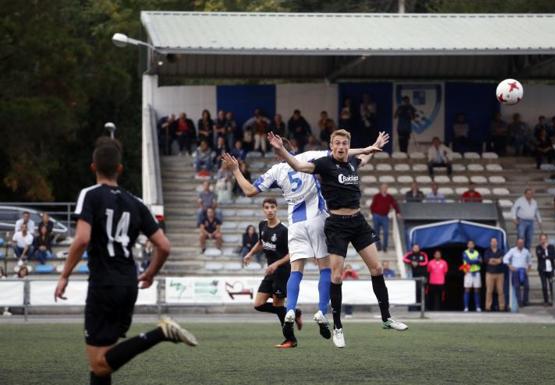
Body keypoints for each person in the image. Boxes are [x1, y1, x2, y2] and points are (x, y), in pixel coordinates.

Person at [53, 137, 196, 385]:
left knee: (98, 364)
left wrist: (64, 275)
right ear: (120, 168)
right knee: (104, 359)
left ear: (93, 167)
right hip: (128, 283)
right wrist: (150, 273)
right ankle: (160, 333)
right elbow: (164, 245)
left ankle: (160, 333)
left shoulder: (90, 195)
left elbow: (82, 239)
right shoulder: (136, 203)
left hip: (103, 284)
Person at [225, 131, 389, 345]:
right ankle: (322, 311)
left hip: (295, 224)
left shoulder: (275, 170)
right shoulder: (310, 156)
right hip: (318, 219)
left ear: (278, 154)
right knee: (325, 268)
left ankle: (291, 310)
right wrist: (368, 147)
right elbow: (340, 153)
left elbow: (248, 191)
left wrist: (236, 170)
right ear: (292, 147)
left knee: (296, 270)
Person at [268, 128, 408, 349]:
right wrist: (282, 150)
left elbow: (364, 157)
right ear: (331, 146)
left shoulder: (352, 164)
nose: (341, 147)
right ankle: (338, 327)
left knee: (377, 269)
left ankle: (386, 318)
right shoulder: (324, 164)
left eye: (344, 143)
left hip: (358, 222)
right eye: (337, 143)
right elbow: (298, 166)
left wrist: (375, 144)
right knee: (336, 275)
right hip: (336, 225)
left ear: (347, 145)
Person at [242, 198, 294, 345]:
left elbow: (292, 254)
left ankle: (290, 339)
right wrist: (250, 254)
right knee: (258, 304)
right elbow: (261, 242)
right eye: (266, 207)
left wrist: (276, 264)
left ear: (277, 209)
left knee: (278, 305)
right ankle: (292, 313)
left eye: (272, 207)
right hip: (270, 271)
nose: (269, 210)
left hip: (283, 271)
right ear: (263, 210)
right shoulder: (262, 225)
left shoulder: (284, 230)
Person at [370, 184, 401, 253]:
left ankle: (385, 247)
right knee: (376, 232)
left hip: (385, 217)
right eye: (383, 188)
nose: (384, 189)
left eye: (385, 188)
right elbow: (372, 206)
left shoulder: (390, 197)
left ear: (387, 189)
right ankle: (378, 246)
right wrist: (373, 214)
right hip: (376, 216)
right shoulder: (376, 196)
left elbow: (394, 204)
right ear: (380, 189)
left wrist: (398, 212)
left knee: (386, 232)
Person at [503, 238, 532, 307]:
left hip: (523, 270)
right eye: (519, 243)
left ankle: (525, 301)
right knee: (517, 286)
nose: (520, 244)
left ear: (523, 244)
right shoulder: (512, 250)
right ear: (516, 243)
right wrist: (510, 266)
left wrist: (528, 270)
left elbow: (530, 261)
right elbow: (505, 259)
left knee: (527, 286)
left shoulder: (526, 251)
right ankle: (519, 302)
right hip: (516, 271)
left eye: (521, 243)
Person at [483, 237, 505, 312]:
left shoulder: (501, 251)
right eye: (492, 242)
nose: (494, 243)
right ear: (490, 243)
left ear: (497, 243)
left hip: (500, 274)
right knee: (489, 291)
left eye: (495, 241)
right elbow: (487, 261)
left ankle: (502, 307)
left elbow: (501, 260)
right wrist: (496, 260)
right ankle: (488, 307)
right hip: (490, 274)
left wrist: (493, 260)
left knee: (500, 291)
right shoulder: (487, 251)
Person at [403, 244, 428, 308]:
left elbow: (426, 262)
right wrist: (411, 262)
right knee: (414, 291)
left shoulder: (423, 254)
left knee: (422, 291)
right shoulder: (409, 254)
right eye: (414, 248)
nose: (416, 249)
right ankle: (415, 307)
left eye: (417, 247)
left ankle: (423, 307)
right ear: (412, 248)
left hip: (422, 276)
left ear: (419, 248)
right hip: (413, 277)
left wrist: (418, 263)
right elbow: (404, 259)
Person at [535, 234, 555, 305]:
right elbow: (539, 256)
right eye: (541, 239)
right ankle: (546, 301)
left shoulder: (551, 247)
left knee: (551, 285)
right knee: (544, 286)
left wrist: (545, 255)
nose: (543, 240)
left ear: (547, 239)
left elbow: (554, 256)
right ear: (540, 240)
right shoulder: (538, 247)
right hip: (542, 269)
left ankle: (553, 300)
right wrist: (544, 251)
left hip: (550, 269)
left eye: (544, 239)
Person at [462, 240, 482, 312]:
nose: (470, 245)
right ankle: (466, 307)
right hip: (468, 272)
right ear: (467, 245)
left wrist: (473, 261)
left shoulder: (477, 252)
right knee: (467, 289)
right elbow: (468, 261)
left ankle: (478, 307)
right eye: (469, 244)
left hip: (476, 272)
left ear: (474, 245)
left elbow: (480, 261)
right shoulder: (465, 252)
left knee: (477, 290)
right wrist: (475, 260)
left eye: (472, 244)